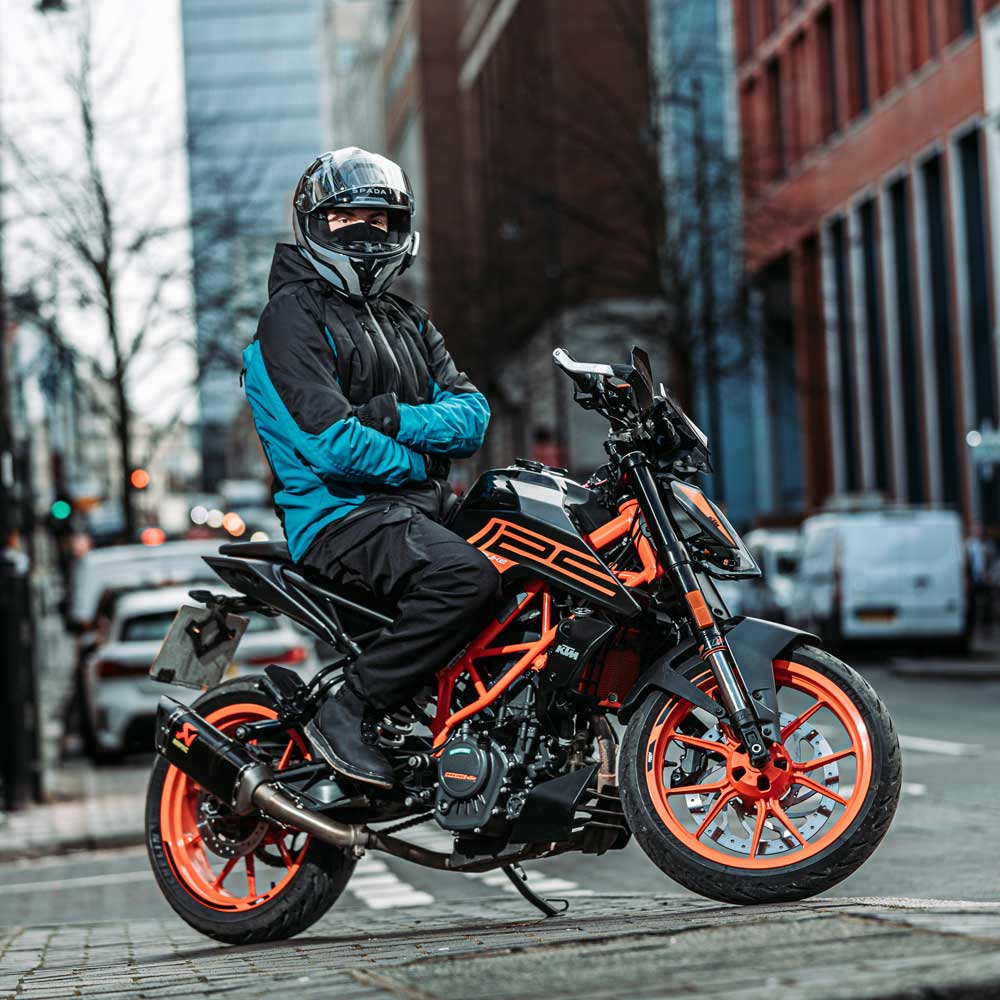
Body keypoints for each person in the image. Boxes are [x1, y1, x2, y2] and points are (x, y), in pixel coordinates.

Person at [241, 148, 499, 788]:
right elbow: (329, 442)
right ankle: (346, 710)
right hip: (340, 517)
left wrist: (396, 422)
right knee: (465, 580)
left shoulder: (407, 318)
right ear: (313, 224)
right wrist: (423, 455)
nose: (363, 230)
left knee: (535, 544)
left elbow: (473, 414)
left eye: (378, 219)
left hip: (415, 509)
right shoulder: (290, 316)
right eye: (345, 216)